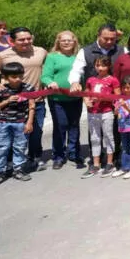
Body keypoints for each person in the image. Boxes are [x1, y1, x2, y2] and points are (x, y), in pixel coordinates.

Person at [0, 27, 48, 171]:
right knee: (11, 136)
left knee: (35, 133)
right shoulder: (3, 56)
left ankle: (35, 158)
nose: (26, 42)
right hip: (11, 104)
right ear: (12, 40)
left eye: (28, 38)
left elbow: (49, 68)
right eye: (21, 39)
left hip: (36, 101)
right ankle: (9, 162)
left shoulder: (41, 51)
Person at [69, 24, 123, 163]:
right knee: (95, 133)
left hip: (115, 99)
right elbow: (76, 70)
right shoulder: (85, 51)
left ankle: (114, 158)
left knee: (115, 129)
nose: (110, 42)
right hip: (95, 103)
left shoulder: (121, 50)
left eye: (113, 38)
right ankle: (96, 160)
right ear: (98, 36)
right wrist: (74, 82)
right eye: (106, 39)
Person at [0, 62, 35, 189]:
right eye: (14, 76)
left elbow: (31, 106)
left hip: (20, 123)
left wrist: (29, 122)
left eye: (20, 76)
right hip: (3, 123)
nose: (18, 79)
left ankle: (18, 169)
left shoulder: (28, 88)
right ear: (6, 77)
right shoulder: (1, 90)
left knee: (20, 147)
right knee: (2, 148)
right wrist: (6, 101)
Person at [41, 31, 83, 169]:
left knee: (74, 126)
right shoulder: (52, 57)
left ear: (74, 42)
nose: (66, 43)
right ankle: (58, 155)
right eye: (63, 40)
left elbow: (82, 75)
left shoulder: (78, 57)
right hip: (57, 98)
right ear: (58, 42)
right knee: (60, 126)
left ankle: (74, 153)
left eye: (69, 40)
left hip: (75, 98)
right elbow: (45, 76)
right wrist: (50, 82)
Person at [81, 56, 120, 179]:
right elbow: (86, 92)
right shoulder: (91, 80)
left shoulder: (113, 80)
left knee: (108, 136)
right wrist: (86, 101)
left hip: (106, 112)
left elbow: (117, 96)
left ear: (108, 66)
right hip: (93, 113)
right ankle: (96, 164)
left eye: (103, 65)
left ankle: (109, 162)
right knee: (95, 138)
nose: (100, 68)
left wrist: (105, 99)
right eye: (98, 65)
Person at [113, 75, 130, 179]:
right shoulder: (119, 98)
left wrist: (125, 106)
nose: (125, 90)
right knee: (124, 147)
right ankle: (125, 167)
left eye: (128, 87)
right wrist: (116, 109)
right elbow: (116, 112)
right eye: (124, 87)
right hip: (122, 127)